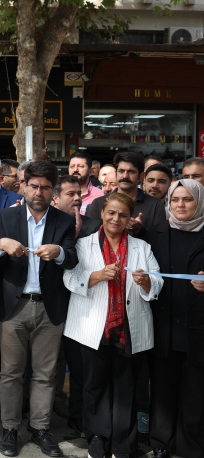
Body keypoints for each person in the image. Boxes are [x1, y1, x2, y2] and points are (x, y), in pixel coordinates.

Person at [0, 160, 78, 458]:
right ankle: (9, 429)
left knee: (45, 374)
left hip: (50, 308)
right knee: (10, 373)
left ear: (54, 191)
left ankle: (40, 428)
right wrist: (1, 244)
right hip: (14, 307)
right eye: (34, 186)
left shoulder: (64, 221)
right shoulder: (6, 216)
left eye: (45, 187)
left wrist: (60, 252)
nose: (39, 192)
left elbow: (72, 259)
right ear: (23, 186)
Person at [63, 192, 162, 458]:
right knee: (94, 386)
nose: (116, 219)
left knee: (126, 388)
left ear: (130, 219)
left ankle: (123, 444)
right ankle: (97, 438)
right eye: (111, 213)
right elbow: (69, 279)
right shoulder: (83, 245)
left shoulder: (142, 248)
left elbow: (158, 281)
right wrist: (97, 276)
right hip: (92, 326)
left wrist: (147, 282)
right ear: (102, 213)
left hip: (130, 327)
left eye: (122, 215)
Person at [145, 180, 204, 458]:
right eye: (175, 199)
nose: (180, 205)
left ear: (199, 202)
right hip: (164, 324)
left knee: (195, 390)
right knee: (162, 388)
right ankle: (161, 443)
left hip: (198, 325)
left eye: (188, 199)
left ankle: (190, 446)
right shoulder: (155, 233)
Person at [50, 175, 102, 436]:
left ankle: (79, 417)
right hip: (51, 302)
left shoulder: (94, 225)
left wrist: (78, 232)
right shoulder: (47, 222)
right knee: (49, 365)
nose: (77, 198)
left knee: (80, 367)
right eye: (70, 194)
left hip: (83, 306)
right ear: (55, 198)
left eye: (79, 194)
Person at [87, 152, 166, 234]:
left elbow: (160, 239)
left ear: (141, 176)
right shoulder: (98, 203)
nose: (125, 176)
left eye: (131, 172)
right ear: (116, 174)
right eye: (121, 171)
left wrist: (140, 231)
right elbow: (91, 238)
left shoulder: (155, 205)